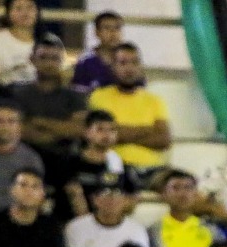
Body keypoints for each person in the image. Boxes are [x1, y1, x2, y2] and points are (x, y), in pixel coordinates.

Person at [85, 44, 170, 174]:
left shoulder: (155, 101)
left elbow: (163, 140)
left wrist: (120, 133)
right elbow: (99, 137)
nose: (129, 69)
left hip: (151, 169)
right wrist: (147, 130)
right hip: (112, 168)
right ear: (113, 67)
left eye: (134, 62)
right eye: (123, 63)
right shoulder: (99, 97)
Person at [65, 170, 149, 247]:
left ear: (125, 199)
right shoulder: (76, 227)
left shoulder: (137, 229)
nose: (111, 199)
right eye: (104, 193)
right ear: (94, 199)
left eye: (117, 193)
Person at [11, 34, 85, 156]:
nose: (49, 63)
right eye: (43, 57)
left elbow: (77, 129)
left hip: (65, 158)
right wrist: (58, 129)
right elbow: (14, 129)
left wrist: (38, 122)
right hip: (22, 157)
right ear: (32, 59)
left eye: (55, 58)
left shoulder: (74, 95)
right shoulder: (17, 92)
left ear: (62, 61)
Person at [55, 108, 132, 221]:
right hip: (73, 221)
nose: (107, 135)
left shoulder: (120, 165)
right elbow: (74, 195)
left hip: (108, 222)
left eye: (112, 130)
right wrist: (89, 225)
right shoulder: (69, 162)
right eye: (100, 129)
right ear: (87, 132)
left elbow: (131, 197)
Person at [147, 169, 216, 247]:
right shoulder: (153, 230)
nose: (182, 193)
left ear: (195, 193)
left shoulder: (211, 228)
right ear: (164, 194)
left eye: (188, 188)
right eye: (176, 188)